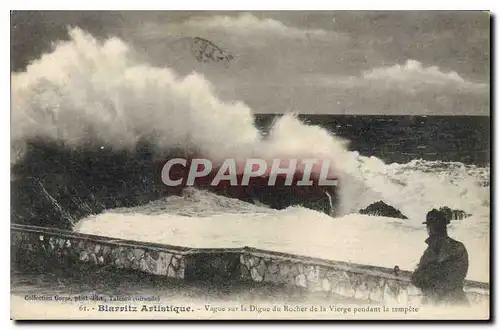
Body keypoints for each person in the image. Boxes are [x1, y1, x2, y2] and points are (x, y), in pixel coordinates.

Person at [411, 209, 469, 305]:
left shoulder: (433, 249)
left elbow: (417, 279)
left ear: (430, 228)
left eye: (428, 226)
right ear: (444, 227)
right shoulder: (459, 247)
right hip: (458, 301)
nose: (427, 229)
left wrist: (420, 273)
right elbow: (458, 274)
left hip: (438, 303)